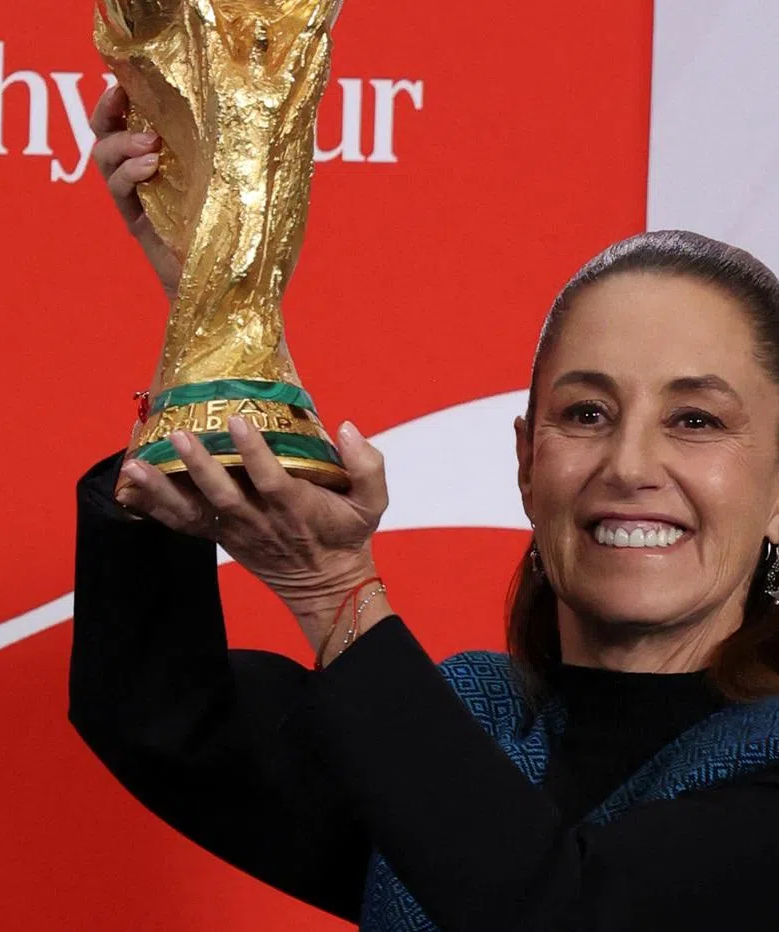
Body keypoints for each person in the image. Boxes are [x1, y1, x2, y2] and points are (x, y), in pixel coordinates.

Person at [68, 88, 779, 931]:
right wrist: (218, 321)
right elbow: (160, 715)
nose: (628, 465)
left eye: (695, 421)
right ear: (525, 463)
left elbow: (561, 909)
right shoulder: (468, 721)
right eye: (586, 413)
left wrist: (339, 598)